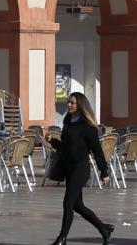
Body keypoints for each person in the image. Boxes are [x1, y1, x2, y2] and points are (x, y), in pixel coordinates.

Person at [44, 92, 114, 245]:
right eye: (68, 102)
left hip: (81, 169)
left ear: (80, 105)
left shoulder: (88, 127)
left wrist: (104, 172)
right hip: (69, 168)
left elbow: (97, 150)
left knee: (68, 203)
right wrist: (52, 141)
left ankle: (62, 238)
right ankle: (104, 229)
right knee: (77, 205)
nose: (69, 105)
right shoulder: (68, 121)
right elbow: (66, 147)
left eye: (72, 103)